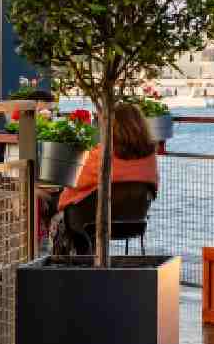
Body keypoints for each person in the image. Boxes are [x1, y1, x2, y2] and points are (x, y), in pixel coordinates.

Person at [50, 103, 159, 256]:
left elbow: (77, 182)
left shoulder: (102, 154)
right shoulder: (150, 157)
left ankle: (72, 264)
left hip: (92, 222)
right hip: (134, 221)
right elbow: (154, 189)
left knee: (57, 204)